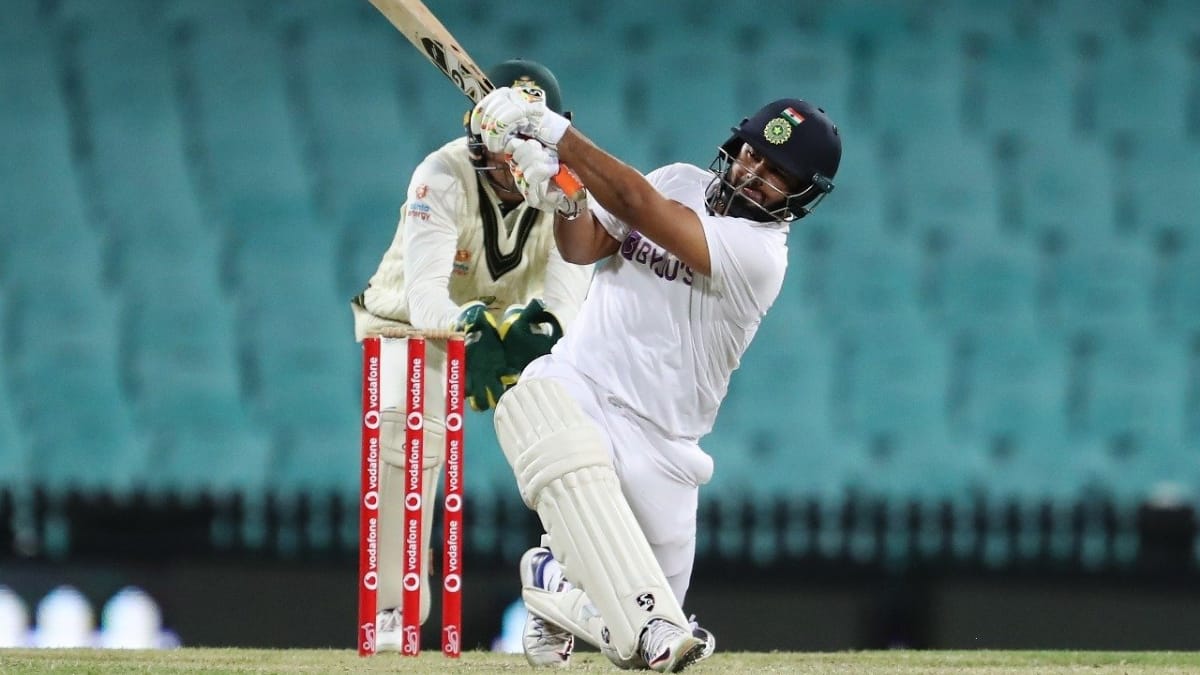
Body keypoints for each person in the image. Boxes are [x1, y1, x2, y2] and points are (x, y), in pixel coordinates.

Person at [471, 87, 840, 672]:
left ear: (799, 198)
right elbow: (586, 246)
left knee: (649, 646)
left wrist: (555, 134)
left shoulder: (761, 255)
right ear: (735, 146)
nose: (753, 174)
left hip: (666, 449)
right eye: (751, 156)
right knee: (534, 408)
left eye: (776, 175)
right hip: (582, 384)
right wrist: (564, 202)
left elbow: (638, 206)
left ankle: (551, 584)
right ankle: (561, 586)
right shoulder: (679, 179)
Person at [350, 59, 593, 651]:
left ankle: (565, 600)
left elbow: (564, 306)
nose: (516, 164)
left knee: (573, 436)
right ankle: (394, 611)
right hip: (410, 326)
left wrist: (526, 334)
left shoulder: (568, 190)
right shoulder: (441, 174)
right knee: (408, 438)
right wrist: (472, 328)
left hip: (513, 326)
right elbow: (427, 298)